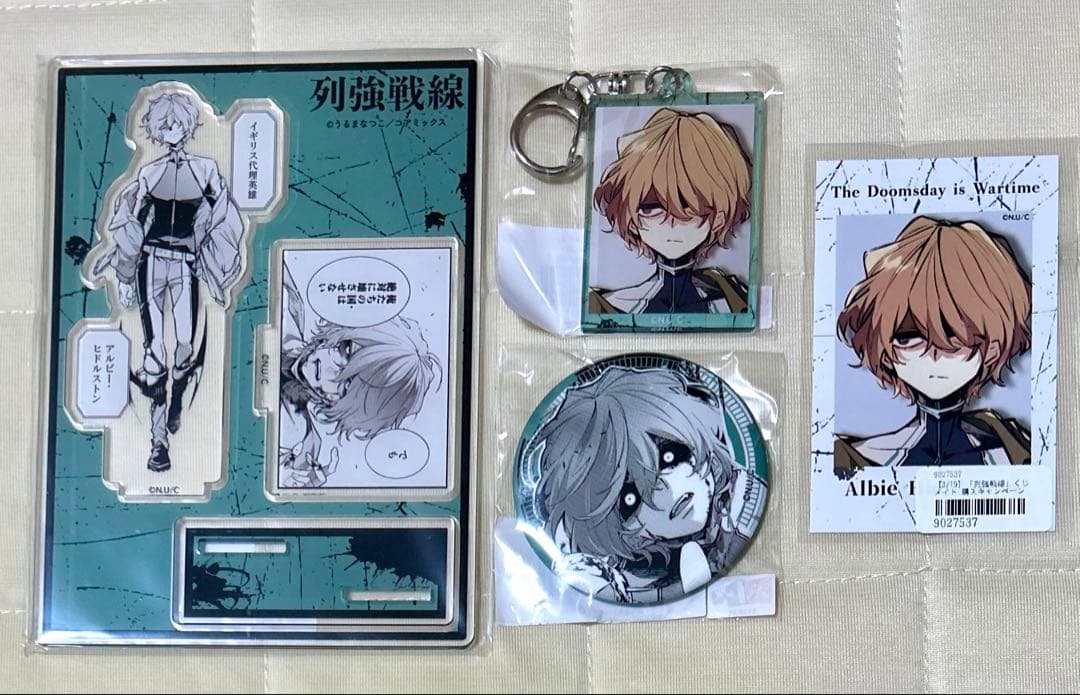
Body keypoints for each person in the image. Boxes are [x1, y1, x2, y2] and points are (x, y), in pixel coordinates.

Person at [91, 90, 245, 472]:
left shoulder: (205, 170)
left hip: (186, 266)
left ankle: (177, 399)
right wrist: (122, 268)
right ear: (157, 130)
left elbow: (226, 216)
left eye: (177, 124)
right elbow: (127, 220)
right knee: (156, 351)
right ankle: (158, 442)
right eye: (165, 125)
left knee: (184, 347)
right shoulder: (149, 173)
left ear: (189, 127)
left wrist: (215, 263)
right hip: (151, 263)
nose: (172, 130)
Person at [530, 366, 765, 603]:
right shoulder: (622, 578)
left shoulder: (742, 501)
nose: (668, 494)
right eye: (630, 499)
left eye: (670, 457)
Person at [833, 216, 1032, 478]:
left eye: (954, 337)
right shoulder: (854, 461)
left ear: (992, 349)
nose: (933, 355)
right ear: (885, 352)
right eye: (907, 338)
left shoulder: (1013, 452)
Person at [277, 263, 441, 488]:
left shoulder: (299, 444)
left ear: (340, 403)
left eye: (346, 386)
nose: (328, 369)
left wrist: (297, 486)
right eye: (344, 351)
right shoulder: (287, 302)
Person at [589, 108, 753, 315]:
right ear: (632, 220)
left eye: (689, 207)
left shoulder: (733, 298)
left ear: (718, 218)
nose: (671, 222)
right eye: (650, 208)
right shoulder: (606, 307)